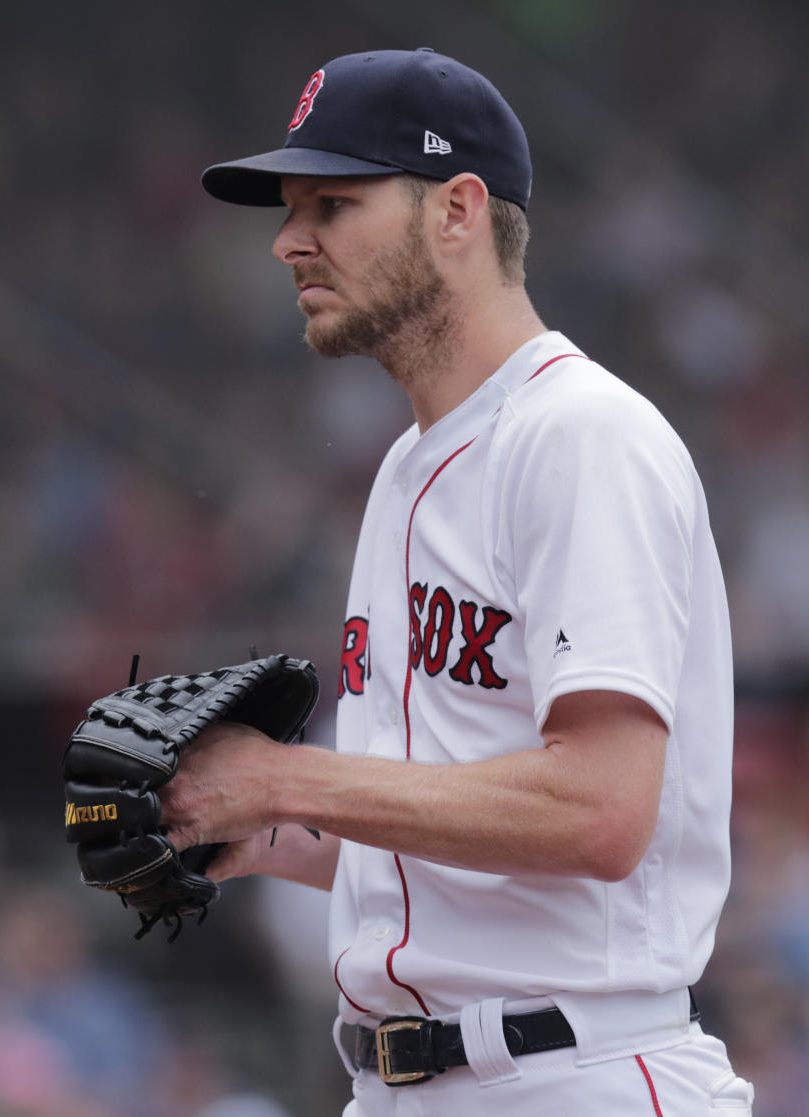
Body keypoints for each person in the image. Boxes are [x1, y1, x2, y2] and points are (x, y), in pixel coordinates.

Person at [162, 48, 753, 1114]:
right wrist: (242, 827)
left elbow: (600, 809)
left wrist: (285, 777)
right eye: (291, 208)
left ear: (459, 211)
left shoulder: (581, 435)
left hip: (576, 1074)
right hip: (411, 1079)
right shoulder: (405, 466)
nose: (290, 239)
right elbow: (456, 832)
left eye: (333, 203)